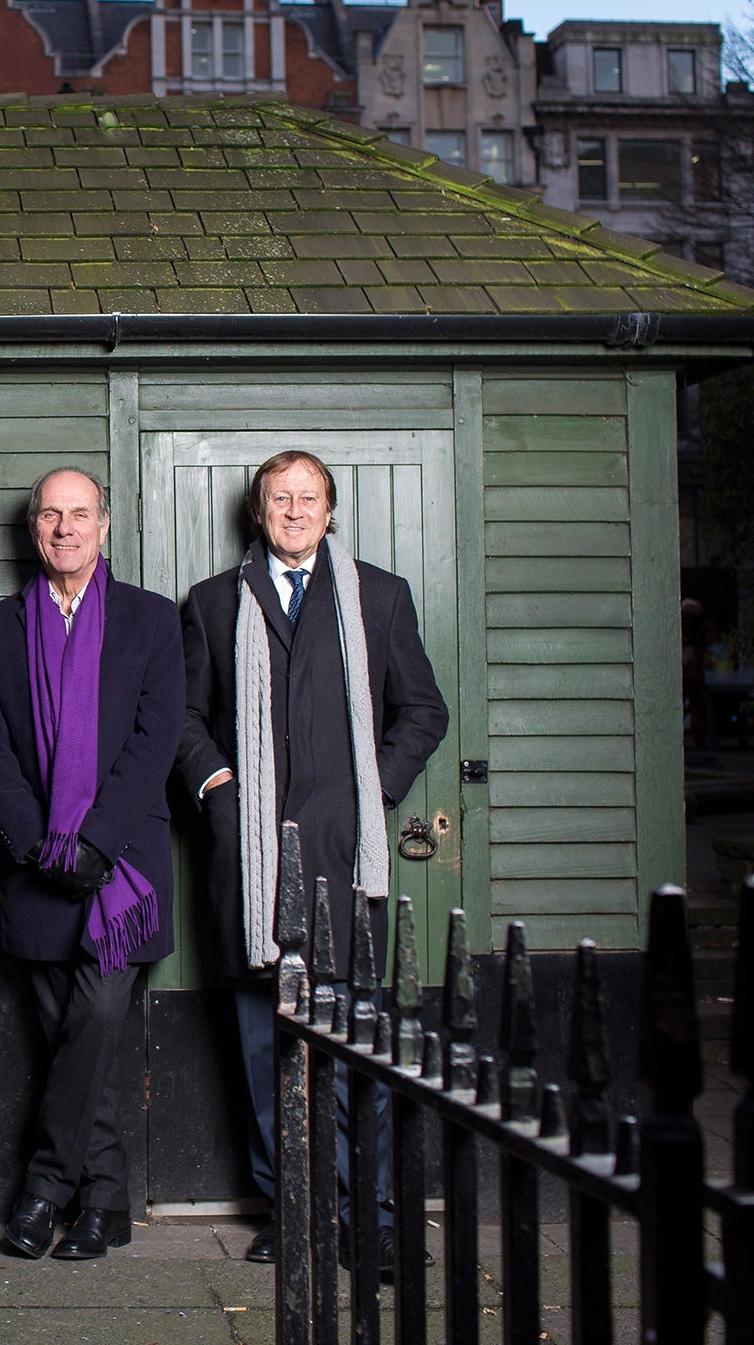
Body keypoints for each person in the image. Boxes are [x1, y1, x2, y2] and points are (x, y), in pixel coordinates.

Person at [176, 450, 448, 1272]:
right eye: (279, 499)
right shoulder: (214, 602)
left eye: (310, 499)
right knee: (266, 1051)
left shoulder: (381, 596)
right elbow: (184, 718)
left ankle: (378, 1216)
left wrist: (376, 791)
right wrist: (217, 786)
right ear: (258, 513)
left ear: (331, 511)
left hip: (343, 857)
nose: (294, 512)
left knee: (353, 1048)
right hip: (251, 865)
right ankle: (292, 1213)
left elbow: (422, 711)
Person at [0, 467, 182, 1262]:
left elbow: (155, 742)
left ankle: (46, 1188)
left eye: (80, 514)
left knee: (90, 1022)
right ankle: (106, 1202)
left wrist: (96, 843)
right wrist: (39, 844)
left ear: (106, 526)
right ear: (33, 529)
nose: (65, 528)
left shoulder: (153, 621)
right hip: (37, 869)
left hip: (122, 874)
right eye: (50, 514)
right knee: (76, 1043)